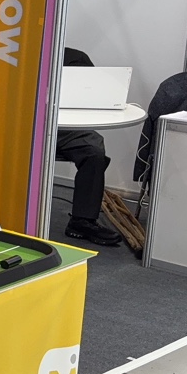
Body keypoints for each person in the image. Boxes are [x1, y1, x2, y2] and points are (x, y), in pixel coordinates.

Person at [55, 48, 123, 246]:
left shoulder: (75, 58)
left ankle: (82, 221)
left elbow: (90, 97)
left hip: (66, 126)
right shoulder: (15, 53)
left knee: (93, 150)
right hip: (22, 122)